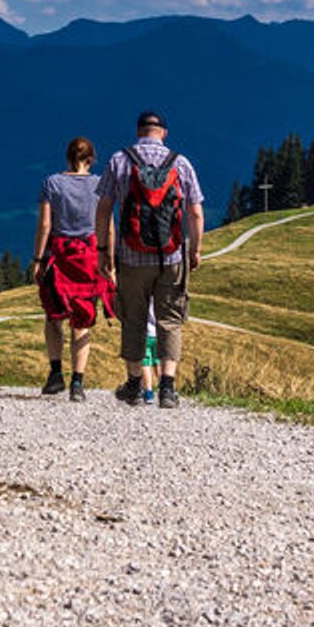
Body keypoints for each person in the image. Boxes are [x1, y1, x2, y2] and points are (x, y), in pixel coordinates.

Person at [95, 110, 203, 408]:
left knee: (133, 318)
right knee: (169, 318)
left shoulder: (119, 160)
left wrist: (103, 251)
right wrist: (195, 249)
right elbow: (195, 211)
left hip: (131, 256)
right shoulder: (180, 163)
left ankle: (133, 383)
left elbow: (103, 208)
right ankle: (167, 387)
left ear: (139, 131)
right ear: (164, 133)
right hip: (171, 257)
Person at [32, 136, 114, 401]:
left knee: (53, 316)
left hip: (61, 257)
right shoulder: (101, 185)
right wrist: (110, 261)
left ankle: (56, 374)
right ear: (90, 160)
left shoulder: (52, 183)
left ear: (68, 157)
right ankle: (78, 383)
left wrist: (38, 259)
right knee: (83, 320)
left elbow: (45, 225)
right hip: (90, 258)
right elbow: (108, 226)